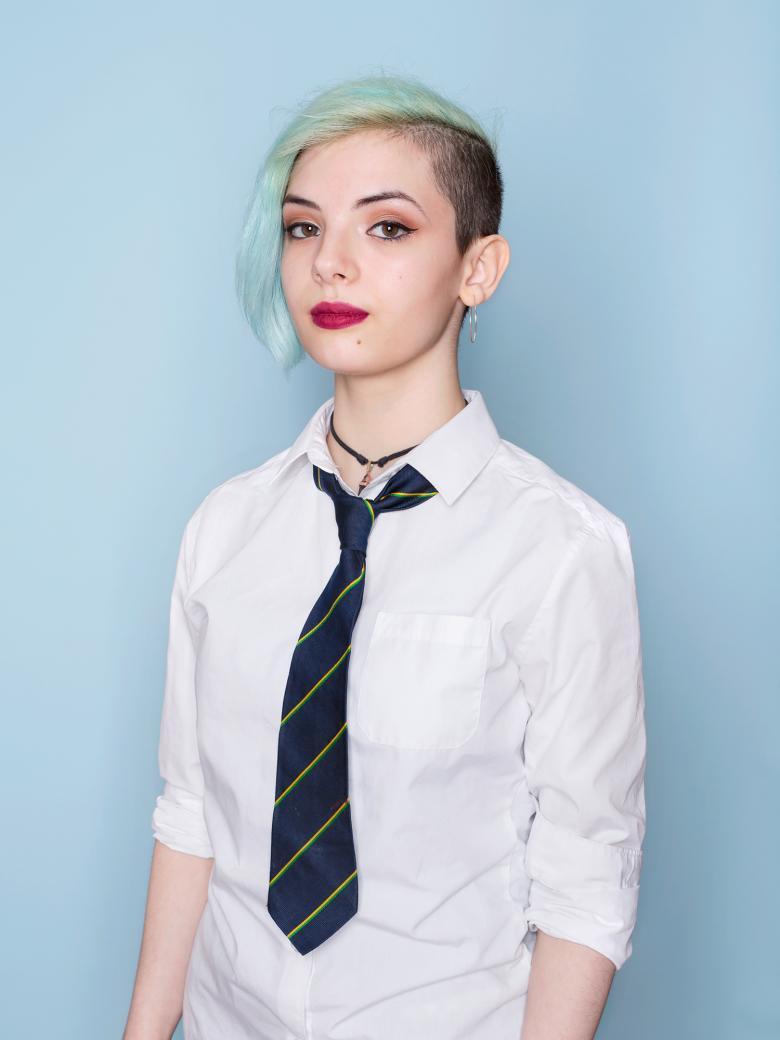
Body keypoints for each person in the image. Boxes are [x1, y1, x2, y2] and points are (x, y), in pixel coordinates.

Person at [124, 73, 647, 1040]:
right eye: (301, 227)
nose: (330, 265)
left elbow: (586, 877)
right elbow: (191, 812)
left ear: (477, 268)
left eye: (387, 228)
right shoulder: (225, 529)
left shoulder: (561, 550)